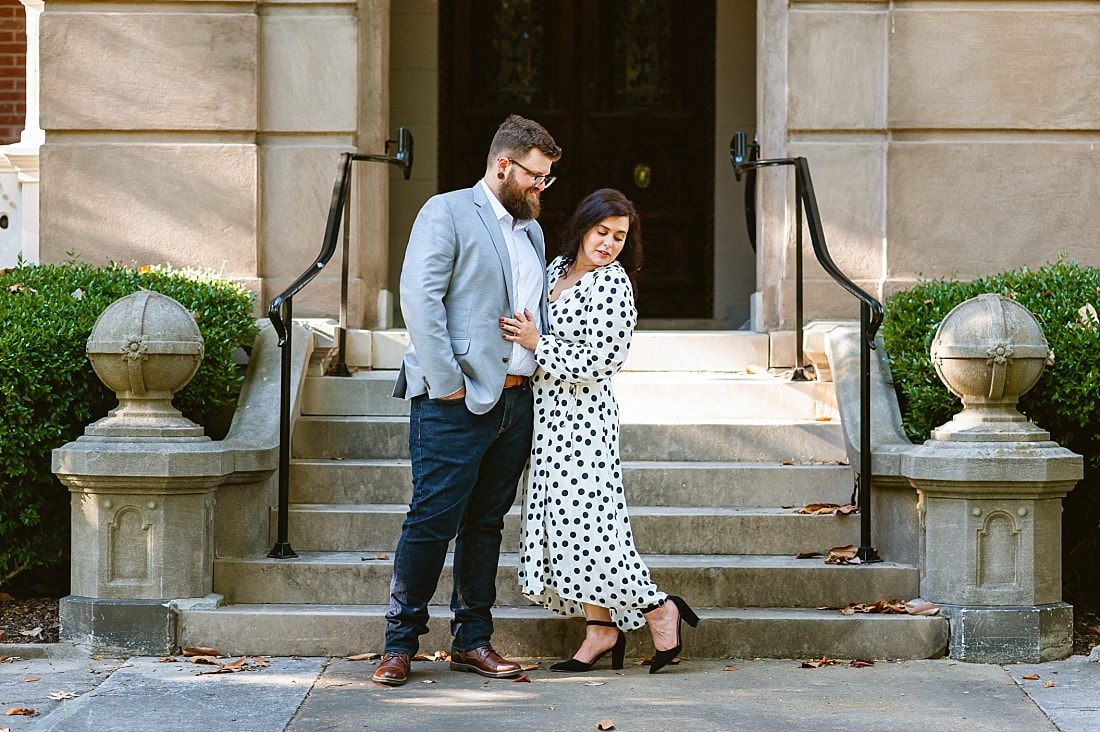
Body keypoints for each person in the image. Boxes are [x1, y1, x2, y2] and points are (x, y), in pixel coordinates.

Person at [376, 115, 562, 686]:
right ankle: (399, 644)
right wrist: (447, 381)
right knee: (432, 521)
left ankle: (472, 642)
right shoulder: (447, 211)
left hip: (515, 403)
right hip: (453, 401)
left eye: (548, 179)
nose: (541, 188)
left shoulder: (531, 230)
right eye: (536, 177)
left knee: (485, 525)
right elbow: (421, 299)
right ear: (502, 166)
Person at [502, 188, 699, 675]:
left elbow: (603, 360)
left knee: (595, 531)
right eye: (602, 232)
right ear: (583, 226)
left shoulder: (613, 285)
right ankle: (600, 629)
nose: (609, 244)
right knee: (567, 529)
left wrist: (537, 343)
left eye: (620, 236)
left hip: (584, 421)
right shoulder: (555, 270)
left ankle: (659, 609)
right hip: (547, 417)